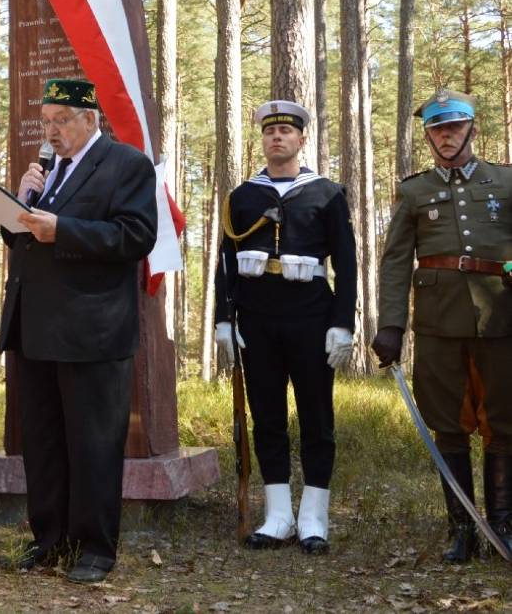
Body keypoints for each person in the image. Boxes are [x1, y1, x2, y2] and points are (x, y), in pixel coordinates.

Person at [0, 78, 157, 584]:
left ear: (91, 119)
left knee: (92, 444)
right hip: (35, 326)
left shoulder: (125, 165)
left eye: (61, 119)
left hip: (92, 331)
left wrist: (61, 228)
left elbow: (135, 236)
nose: (51, 131)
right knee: (42, 442)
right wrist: (19, 205)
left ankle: (94, 548)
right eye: (46, 120)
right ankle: (49, 540)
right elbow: (24, 240)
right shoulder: (49, 171)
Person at [373, 90, 512, 561]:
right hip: (437, 325)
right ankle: (463, 530)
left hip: (502, 319)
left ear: (472, 128)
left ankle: (502, 526)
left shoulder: (506, 182)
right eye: (437, 129)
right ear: (428, 135)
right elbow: (395, 262)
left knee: (505, 423)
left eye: (454, 127)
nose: (446, 136)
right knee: (448, 425)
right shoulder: (414, 191)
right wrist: (391, 324)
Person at [214, 100, 357, 555]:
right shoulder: (241, 197)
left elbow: (348, 265)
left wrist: (342, 324)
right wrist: (223, 319)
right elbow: (225, 265)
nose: (277, 137)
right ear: (263, 140)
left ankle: (313, 517)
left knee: (317, 417)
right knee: (267, 417)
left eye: (286, 131)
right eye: (270, 131)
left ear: (300, 139)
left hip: (313, 317)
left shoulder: (328, 194)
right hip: (257, 320)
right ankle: (278, 514)